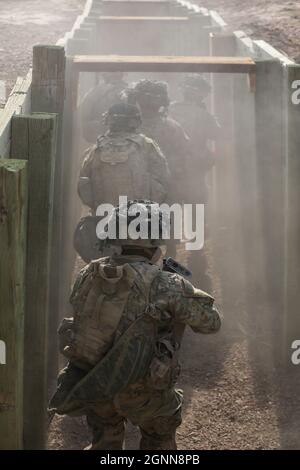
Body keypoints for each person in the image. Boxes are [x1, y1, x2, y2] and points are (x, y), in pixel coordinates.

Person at [49, 200, 221, 450]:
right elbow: (211, 322)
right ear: (155, 244)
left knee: (105, 442)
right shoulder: (167, 282)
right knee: (159, 438)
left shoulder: (88, 274)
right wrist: (182, 288)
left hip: (97, 385)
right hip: (145, 391)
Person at [78, 102, 169, 213]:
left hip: (103, 218)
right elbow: (162, 182)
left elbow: (84, 185)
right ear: (135, 121)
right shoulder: (147, 145)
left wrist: (97, 208)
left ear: (108, 120)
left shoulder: (96, 148)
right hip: (140, 218)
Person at [126, 79, 190, 204]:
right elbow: (183, 162)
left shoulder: (127, 127)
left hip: (134, 191)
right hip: (165, 191)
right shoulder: (173, 127)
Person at [170, 74, 221, 204]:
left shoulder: (169, 109)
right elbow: (216, 134)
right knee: (196, 207)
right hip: (194, 167)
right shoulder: (202, 114)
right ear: (199, 94)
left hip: (171, 166)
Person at [80, 72, 128, 144]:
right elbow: (84, 120)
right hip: (102, 140)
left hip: (125, 140)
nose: (114, 75)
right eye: (112, 72)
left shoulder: (129, 91)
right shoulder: (95, 93)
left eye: (116, 72)